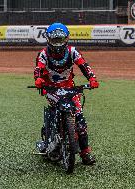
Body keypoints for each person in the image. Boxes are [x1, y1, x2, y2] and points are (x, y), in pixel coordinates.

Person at [33, 23, 99, 165]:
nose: (58, 44)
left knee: (80, 121)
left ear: (67, 38)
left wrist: (92, 78)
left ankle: (85, 153)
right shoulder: (43, 54)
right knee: (54, 113)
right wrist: (38, 79)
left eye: (60, 40)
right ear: (48, 39)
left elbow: (84, 66)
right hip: (51, 89)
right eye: (55, 40)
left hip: (70, 89)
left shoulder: (73, 52)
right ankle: (50, 137)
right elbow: (38, 68)